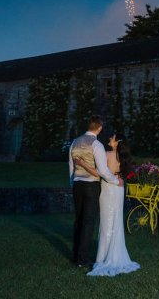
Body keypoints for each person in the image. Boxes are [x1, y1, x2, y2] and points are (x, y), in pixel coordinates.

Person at [75, 133, 140, 277]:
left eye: (112, 138)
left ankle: (104, 257)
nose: (109, 139)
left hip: (109, 190)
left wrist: (82, 163)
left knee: (106, 223)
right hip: (119, 189)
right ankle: (114, 253)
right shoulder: (123, 157)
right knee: (115, 222)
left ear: (117, 142)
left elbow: (100, 173)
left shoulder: (107, 153)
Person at [68, 115, 122, 268]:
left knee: (78, 220)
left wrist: (72, 182)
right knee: (88, 222)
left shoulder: (74, 142)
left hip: (77, 184)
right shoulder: (96, 145)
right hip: (91, 186)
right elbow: (103, 170)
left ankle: (75, 256)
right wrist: (115, 180)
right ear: (99, 128)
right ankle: (83, 259)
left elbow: (71, 166)